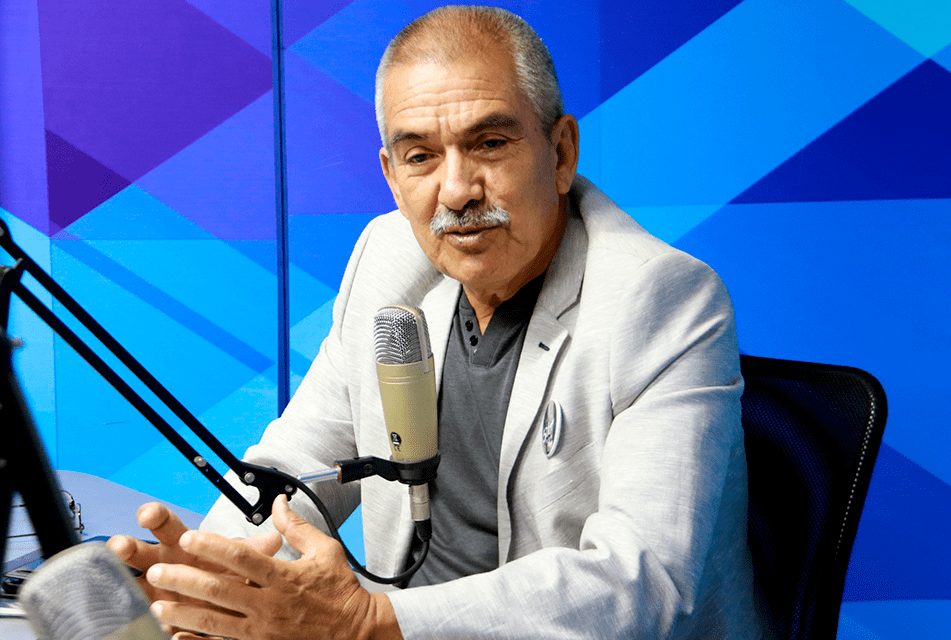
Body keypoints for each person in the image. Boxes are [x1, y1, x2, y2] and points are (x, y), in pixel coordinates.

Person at [108, 6, 774, 639]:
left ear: (561, 153)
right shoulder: (387, 257)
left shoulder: (660, 297)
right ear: (392, 177)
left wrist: (368, 624)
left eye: (489, 143)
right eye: (420, 156)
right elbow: (300, 462)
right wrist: (211, 578)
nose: (456, 190)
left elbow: (644, 583)